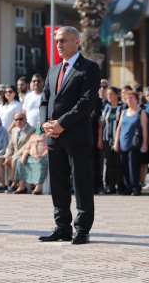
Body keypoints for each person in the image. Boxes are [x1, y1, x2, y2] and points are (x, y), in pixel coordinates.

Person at [39, 26, 100, 245]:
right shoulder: (53, 70)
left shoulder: (89, 68)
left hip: (76, 135)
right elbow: (45, 99)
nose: (59, 45)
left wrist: (61, 124)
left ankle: (82, 229)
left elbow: (86, 102)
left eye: (63, 40)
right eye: (57, 41)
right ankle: (61, 227)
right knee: (58, 183)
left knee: (81, 183)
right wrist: (45, 122)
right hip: (54, 137)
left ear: (77, 42)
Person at [113, 91, 148, 196]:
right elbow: (119, 128)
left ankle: (135, 187)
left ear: (137, 99)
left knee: (133, 166)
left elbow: (144, 128)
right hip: (123, 141)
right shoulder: (124, 112)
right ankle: (127, 186)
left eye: (131, 98)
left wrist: (145, 143)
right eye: (127, 98)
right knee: (124, 166)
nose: (129, 100)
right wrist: (116, 142)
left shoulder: (141, 112)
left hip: (134, 143)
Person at [0, 112, 34, 193]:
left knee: (15, 159)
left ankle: (14, 184)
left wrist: (11, 157)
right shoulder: (14, 130)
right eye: (16, 119)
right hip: (13, 154)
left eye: (20, 119)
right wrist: (7, 156)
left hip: (24, 155)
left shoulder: (31, 130)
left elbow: (26, 147)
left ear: (26, 119)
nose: (18, 121)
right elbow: (10, 146)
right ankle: (2, 185)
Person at [98, 87, 125, 194]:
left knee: (119, 163)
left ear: (117, 95)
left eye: (111, 94)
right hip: (106, 138)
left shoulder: (123, 106)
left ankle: (121, 186)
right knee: (109, 163)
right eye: (108, 94)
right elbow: (101, 124)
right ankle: (111, 186)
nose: (109, 96)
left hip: (118, 139)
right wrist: (100, 139)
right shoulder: (106, 107)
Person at [14, 130, 49, 195]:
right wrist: (24, 156)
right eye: (38, 121)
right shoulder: (34, 135)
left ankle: (38, 186)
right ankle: (22, 186)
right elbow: (27, 148)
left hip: (43, 157)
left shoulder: (48, 134)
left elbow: (49, 147)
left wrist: (42, 155)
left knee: (41, 163)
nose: (39, 122)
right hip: (32, 157)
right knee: (19, 161)